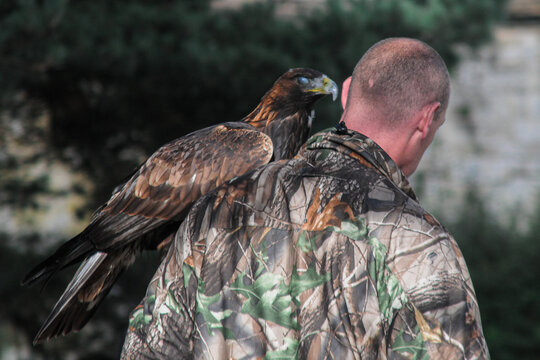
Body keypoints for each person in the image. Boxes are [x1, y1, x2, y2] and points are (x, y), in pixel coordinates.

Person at [121, 38, 489, 359]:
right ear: (428, 120)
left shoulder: (213, 208)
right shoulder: (421, 244)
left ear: (345, 93)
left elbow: (148, 349)